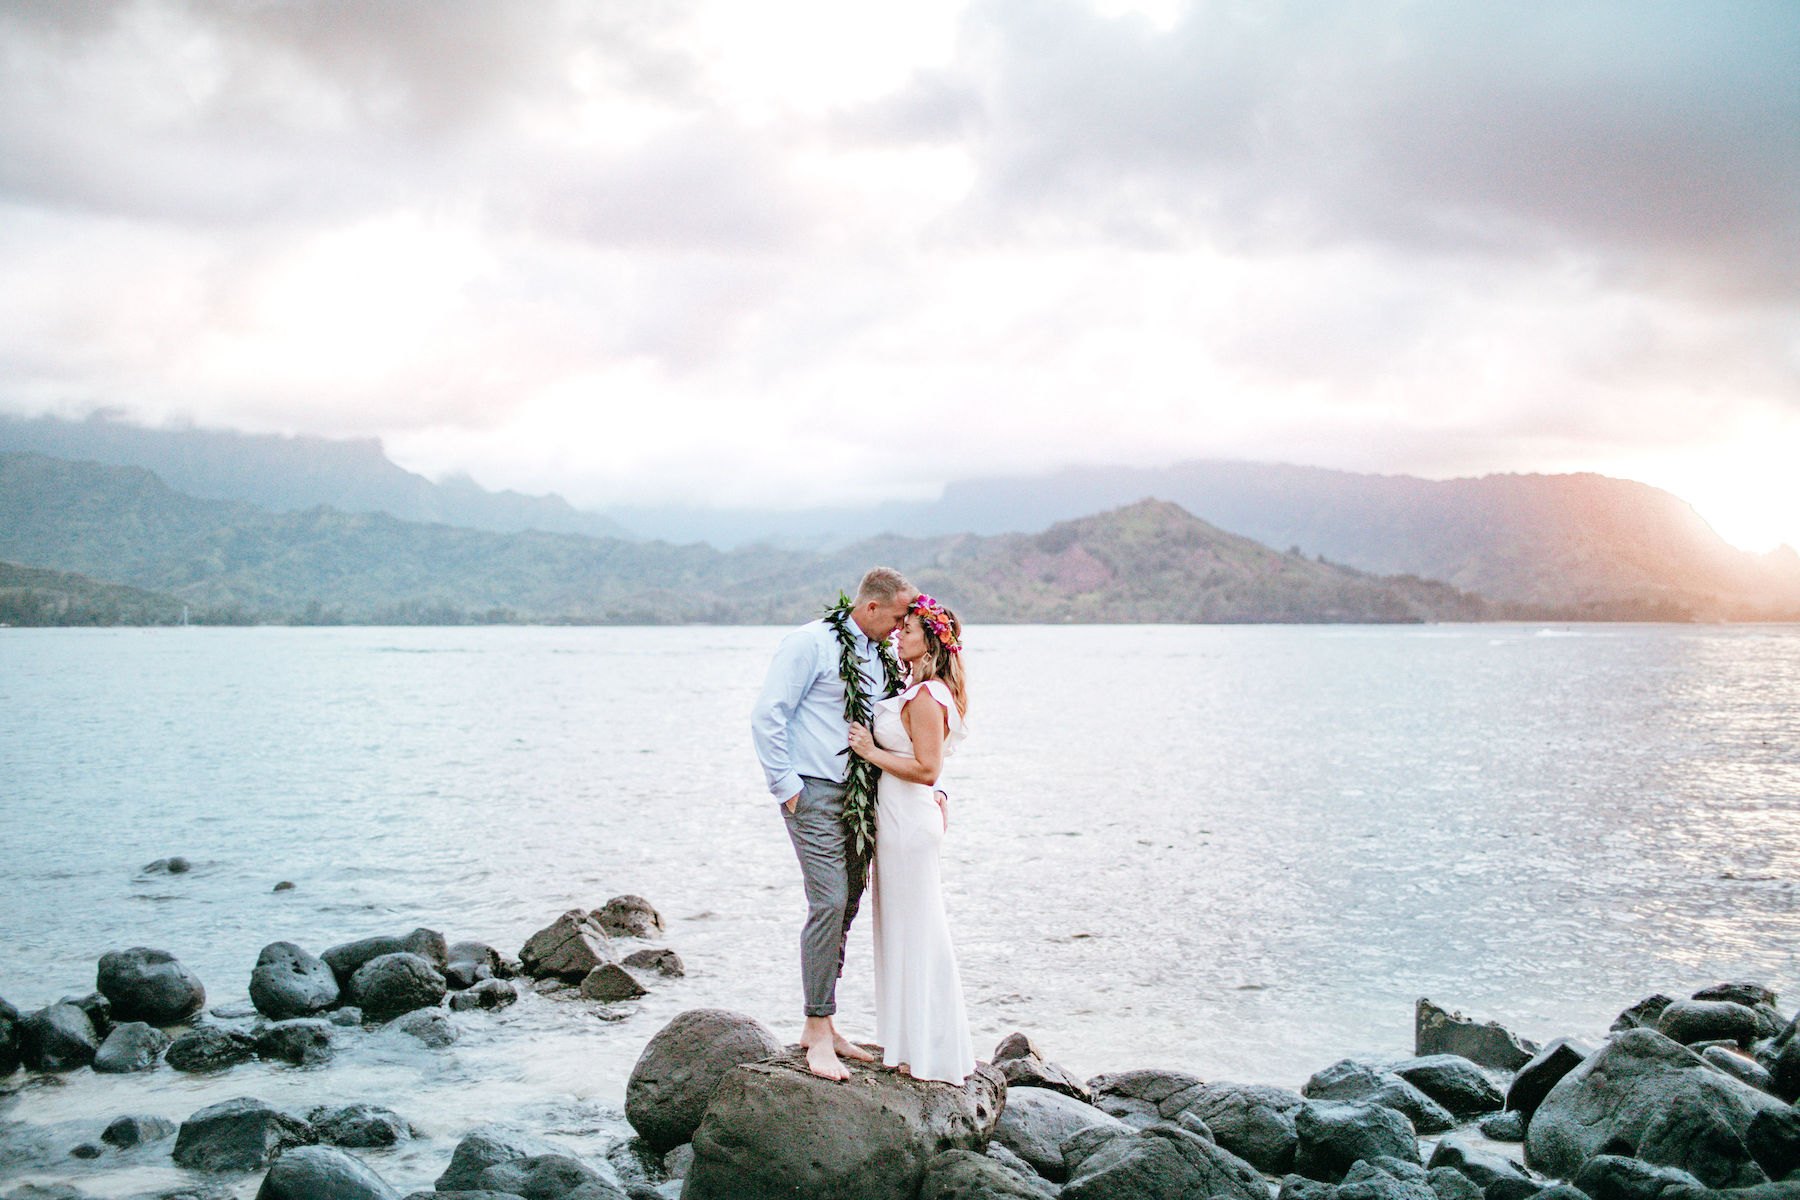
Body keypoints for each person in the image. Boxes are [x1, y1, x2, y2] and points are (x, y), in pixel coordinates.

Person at [751, 566, 918, 1080]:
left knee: (847, 901)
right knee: (827, 901)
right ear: (870, 608)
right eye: (895, 618)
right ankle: (817, 1028)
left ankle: (823, 1022)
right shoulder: (811, 643)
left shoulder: (878, 653)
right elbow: (768, 714)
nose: (898, 627)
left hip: (864, 796)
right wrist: (788, 788)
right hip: (813, 792)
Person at [846, 593, 974, 1085]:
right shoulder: (916, 689)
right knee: (900, 930)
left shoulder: (927, 697)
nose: (900, 632)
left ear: (931, 644)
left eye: (911, 629)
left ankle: (932, 1051)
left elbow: (926, 768)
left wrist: (869, 750)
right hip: (898, 821)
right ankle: (907, 1044)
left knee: (919, 931)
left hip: (907, 824)